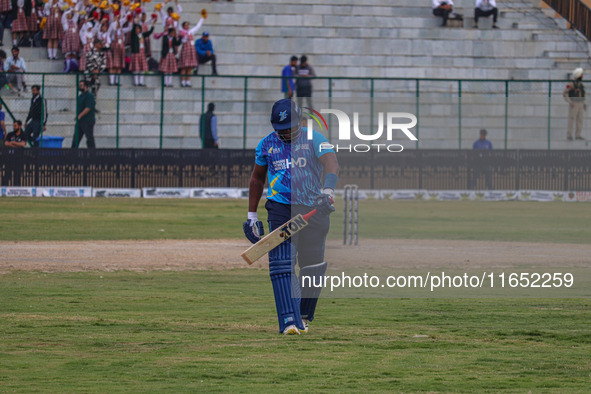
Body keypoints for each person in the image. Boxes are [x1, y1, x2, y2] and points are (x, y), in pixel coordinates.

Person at [243, 99, 339, 335]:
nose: (286, 132)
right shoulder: (266, 145)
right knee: (282, 264)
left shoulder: (313, 138)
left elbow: (331, 162)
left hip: (313, 207)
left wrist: (328, 191)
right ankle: (288, 321)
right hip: (281, 209)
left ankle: (303, 317)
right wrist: (252, 215)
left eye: (290, 127)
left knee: (312, 266)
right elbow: (257, 178)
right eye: (281, 129)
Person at [178, 17, 204, 87]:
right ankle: (183, 81)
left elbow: (197, 27)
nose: (187, 26)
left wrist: (202, 18)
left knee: (189, 67)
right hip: (186, 49)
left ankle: (188, 81)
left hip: (191, 49)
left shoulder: (190, 32)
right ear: (183, 26)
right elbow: (182, 39)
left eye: (188, 25)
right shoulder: (182, 32)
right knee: (184, 67)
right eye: (186, 25)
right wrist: (177, 20)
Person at [563, 67, 586, 141]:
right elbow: (565, 93)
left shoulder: (581, 85)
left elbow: (582, 95)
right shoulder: (571, 84)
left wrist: (583, 103)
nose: (582, 76)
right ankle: (569, 135)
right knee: (572, 119)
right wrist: (570, 101)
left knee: (580, 120)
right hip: (574, 103)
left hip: (580, 103)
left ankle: (578, 135)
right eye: (581, 74)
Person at [72, 80, 96, 148]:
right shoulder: (80, 96)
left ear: (85, 86)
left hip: (87, 120)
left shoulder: (89, 96)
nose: (80, 87)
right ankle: (72, 153)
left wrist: (80, 115)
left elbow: (88, 108)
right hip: (80, 121)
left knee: (89, 138)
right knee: (76, 138)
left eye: (81, 85)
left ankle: (92, 153)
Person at [130, 21, 155, 86]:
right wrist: (135, 21)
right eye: (136, 29)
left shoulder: (142, 35)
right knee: (136, 68)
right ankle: (136, 82)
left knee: (142, 68)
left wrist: (153, 25)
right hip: (136, 53)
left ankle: (141, 82)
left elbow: (149, 32)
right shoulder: (134, 35)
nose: (137, 30)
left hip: (142, 52)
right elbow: (132, 31)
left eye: (138, 29)